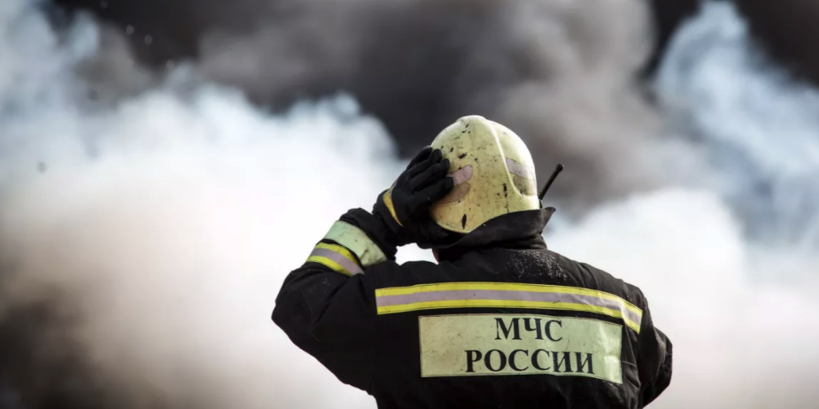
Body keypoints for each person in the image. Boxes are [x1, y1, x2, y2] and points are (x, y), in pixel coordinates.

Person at [272, 115, 672, 408]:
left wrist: (385, 223)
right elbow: (656, 371)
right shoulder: (624, 311)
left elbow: (303, 301)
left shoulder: (400, 307)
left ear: (434, 221)